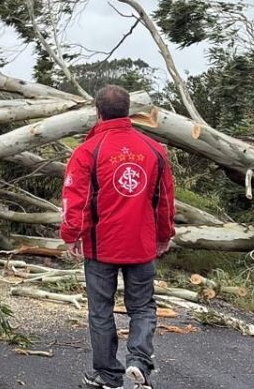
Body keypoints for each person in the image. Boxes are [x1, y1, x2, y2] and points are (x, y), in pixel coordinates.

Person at [60, 85, 175, 389]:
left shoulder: (88, 151)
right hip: (141, 244)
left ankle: (108, 375)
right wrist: (165, 234)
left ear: (97, 112)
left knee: (101, 310)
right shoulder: (155, 151)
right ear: (128, 111)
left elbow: (76, 198)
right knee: (143, 306)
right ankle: (138, 361)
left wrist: (72, 234)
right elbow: (164, 200)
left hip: (101, 247)